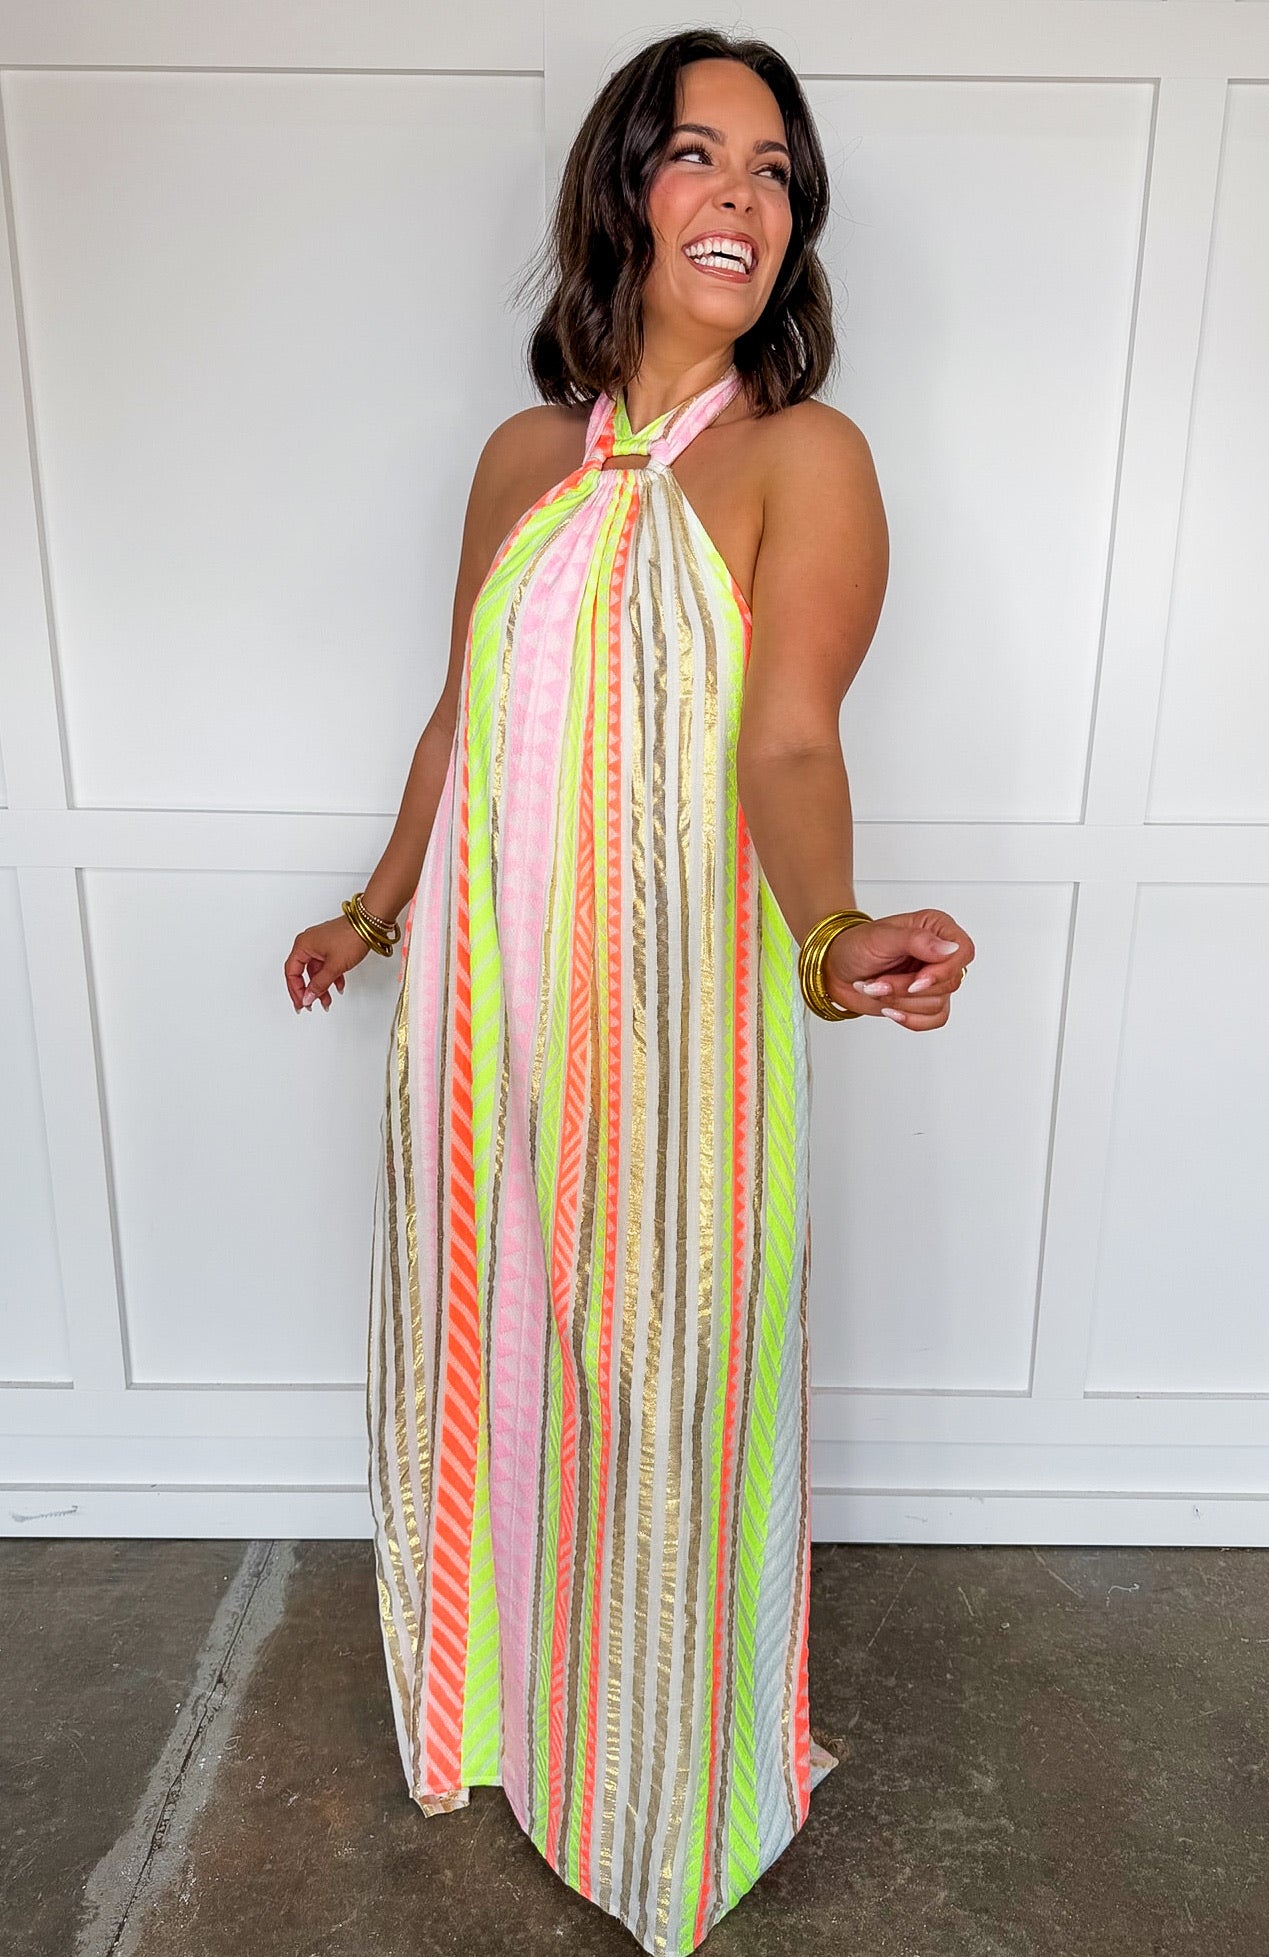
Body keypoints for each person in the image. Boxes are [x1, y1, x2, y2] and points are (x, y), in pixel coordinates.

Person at [284, 26, 974, 1955]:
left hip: (676, 1029)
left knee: (666, 1392)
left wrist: (833, 939)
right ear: (624, 194)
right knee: (499, 1355)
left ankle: (665, 1793)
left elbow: (789, 742)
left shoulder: (803, 457)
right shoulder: (524, 458)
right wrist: (371, 908)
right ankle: (514, 1718)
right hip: (488, 1019)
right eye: (696, 154)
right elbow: (458, 717)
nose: (740, 194)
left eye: (773, 170)